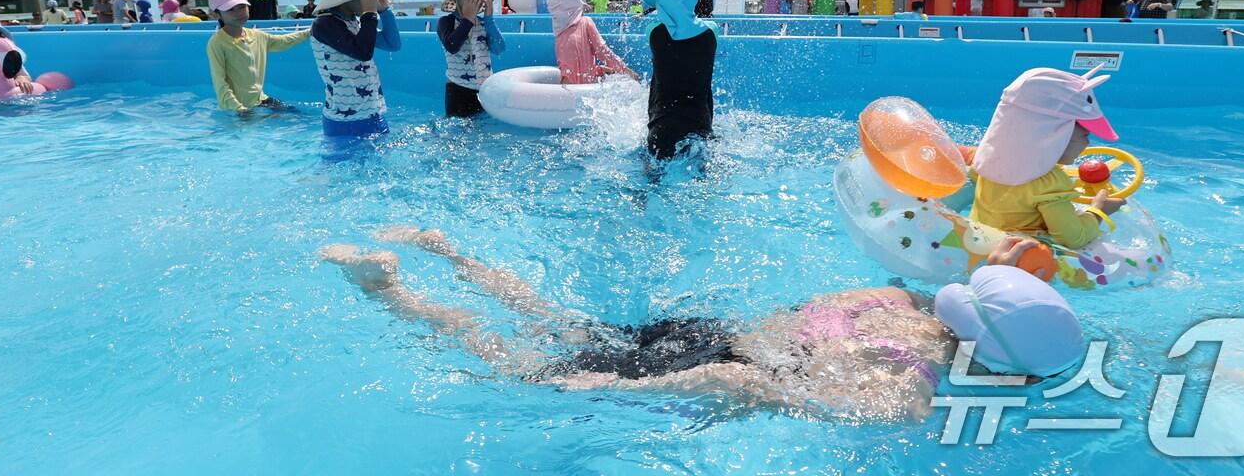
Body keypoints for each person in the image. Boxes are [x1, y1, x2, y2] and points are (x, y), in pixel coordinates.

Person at [319, 231, 1080, 421]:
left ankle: (448, 254)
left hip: (709, 326)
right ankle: (391, 292)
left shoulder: (893, 299)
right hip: (708, 364)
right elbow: (767, 389)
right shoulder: (910, 383)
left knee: (556, 320)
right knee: (507, 363)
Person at [969, 68, 1128, 249]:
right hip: (1023, 255)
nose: (1087, 143)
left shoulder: (988, 158)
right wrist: (1098, 209)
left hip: (980, 243)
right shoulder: (1048, 184)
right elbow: (1073, 239)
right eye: (1084, 136)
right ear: (1052, 136)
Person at [311, 0, 401, 136]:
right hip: (345, 122)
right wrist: (369, 12)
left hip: (373, 112)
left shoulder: (354, 22)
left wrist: (384, 11)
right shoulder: (325, 24)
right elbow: (363, 52)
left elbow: (393, 44)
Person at [643, 0, 717, 159]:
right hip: (700, 123)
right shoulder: (711, 32)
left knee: (653, 180)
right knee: (701, 181)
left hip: (661, 126)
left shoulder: (653, 32)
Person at [205, 0, 310, 112]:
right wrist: (239, 109)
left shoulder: (257, 36)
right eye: (230, 9)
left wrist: (310, 32)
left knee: (297, 114)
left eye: (242, 7)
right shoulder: (217, 43)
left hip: (260, 100)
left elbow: (284, 41)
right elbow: (219, 82)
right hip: (235, 108)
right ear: (216, 14)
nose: (239, 12)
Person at [437, 0, 505, 117]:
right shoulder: (446, 21)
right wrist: (467, 19)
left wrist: (489, 19)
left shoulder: (483, 23)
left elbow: (499, 49)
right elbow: (452, 46)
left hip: (485, 89)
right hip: (457, 89)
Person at [548, 0, 639, 84]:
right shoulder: (586, 22)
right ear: (574, 9)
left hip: (565, 85)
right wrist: (626, 70)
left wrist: (600, 69)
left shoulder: (560, 33)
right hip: (584, 88)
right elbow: (602, 51)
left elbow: (574, 65)